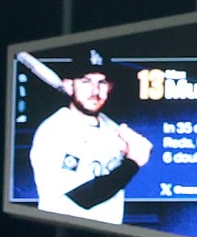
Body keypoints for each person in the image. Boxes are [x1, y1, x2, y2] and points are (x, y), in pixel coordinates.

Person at [30, 50, 152, 224]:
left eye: (101, 82)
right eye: (86, 81)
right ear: (70, 86)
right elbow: (85, 197)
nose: (95, 91)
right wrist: (133, 162)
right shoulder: (54, 131)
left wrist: (132, 149)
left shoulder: (110, 126)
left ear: (109, 87)